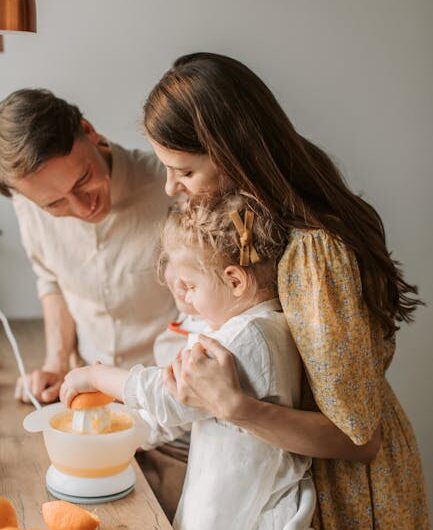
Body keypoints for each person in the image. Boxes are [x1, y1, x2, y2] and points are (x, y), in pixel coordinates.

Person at [141, 52, 430, 529]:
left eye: (185, 171)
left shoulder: (312, 254)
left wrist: (237, 408)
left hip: (349, 495)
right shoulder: (258, 228)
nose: (171, 187)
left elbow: (359, 439)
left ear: (232, 156)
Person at [60, 192, 316, 530]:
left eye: (190, 287)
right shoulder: (267, 327)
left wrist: (96, 376)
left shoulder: (243, 339)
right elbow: (185, 410)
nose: (186, 303)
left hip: (244, 513)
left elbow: (170, 395)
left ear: (234, 280)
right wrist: (128, 434)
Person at [0, 88, 177, 403]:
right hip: (86, 391)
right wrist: (55, 363)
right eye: (54, 204)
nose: (83, 208)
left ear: (88, 130)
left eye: (82, 180)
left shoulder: (171, 187)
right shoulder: (28, 204)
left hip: (167, 396)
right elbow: (52, 278)